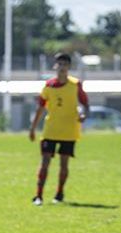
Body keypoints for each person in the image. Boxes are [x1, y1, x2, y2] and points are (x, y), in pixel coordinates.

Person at [29, 53, 89, 205]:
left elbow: (85, 104)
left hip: (69, 131)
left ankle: (59, 193)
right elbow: (40, 107)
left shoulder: (76, 85)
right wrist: (33, 128)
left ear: (69, 67)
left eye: (65, 65)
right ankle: (38, 195)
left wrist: (83, 115)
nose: (62, 67)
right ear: (55, 66)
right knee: (45, 162)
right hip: (51, 130)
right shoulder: (48, 86)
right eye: (59, 64)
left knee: (64, 164)